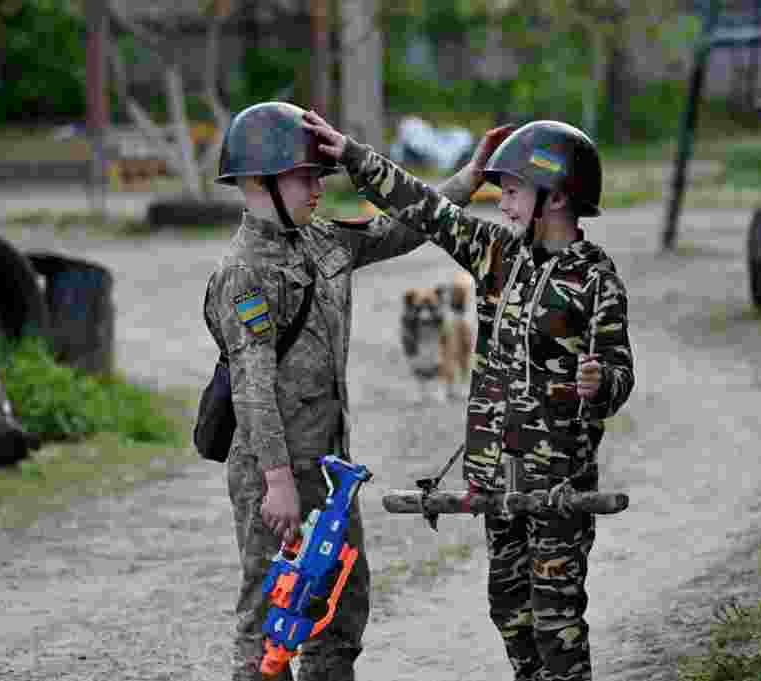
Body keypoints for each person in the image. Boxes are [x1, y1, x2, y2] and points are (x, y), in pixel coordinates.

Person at [302, 110, 635, 681]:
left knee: (557, 622)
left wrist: (600, 382)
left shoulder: (596, 281)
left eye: (512, 192)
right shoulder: (495, 254)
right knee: (510, 613)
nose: (501, 203)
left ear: (556, 197)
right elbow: (424, 208)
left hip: (558, 484)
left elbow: (621, 372)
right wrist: (353, 156)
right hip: (494, 481)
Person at [202, 100, 509, 681]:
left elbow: (399, 230)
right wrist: (277, 482)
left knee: (341, 608)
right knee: (272, 613)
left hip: (330, 467)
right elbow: (252, 384)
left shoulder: (322, 241)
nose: (319, 188)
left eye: (320, 176)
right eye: (305, 177)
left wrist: (468, 180)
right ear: (259, 182)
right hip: (274, 470)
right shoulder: (244, 272)